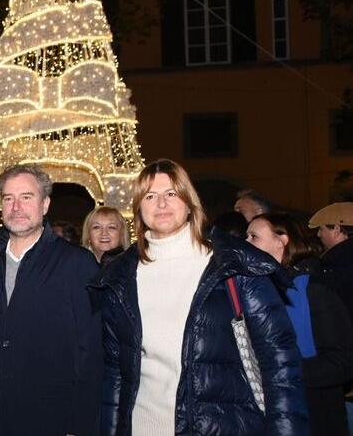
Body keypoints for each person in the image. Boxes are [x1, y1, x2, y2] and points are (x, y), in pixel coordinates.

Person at [91, 159, 307, 435]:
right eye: (150, 196)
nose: (161, 203)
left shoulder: (234, 266)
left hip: (219, 427)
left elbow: (279, 365)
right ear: (138, 208)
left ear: (189, 202)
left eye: (171, 193)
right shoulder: (119, 277)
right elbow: (115, 374)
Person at [0, 165, 101, 436]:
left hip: (50, 417)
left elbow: (90, 350)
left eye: (26, 197)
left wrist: (80, 425)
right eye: (9, 198)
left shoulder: (77, 263)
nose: (16, 207)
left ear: (45, 204)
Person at [247, 212, 353, 435]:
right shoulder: (255, 290)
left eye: (254, 237)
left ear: (281, 240)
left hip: (314, 416)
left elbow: (342, 361)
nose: (246, 243)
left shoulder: (314, 289)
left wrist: (282, 371)